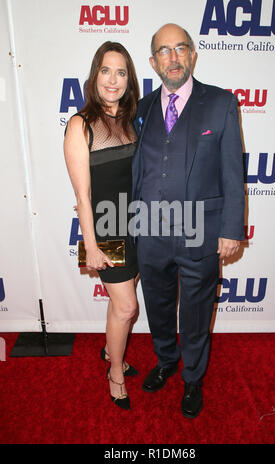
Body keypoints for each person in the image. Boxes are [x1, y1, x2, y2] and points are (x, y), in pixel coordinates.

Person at [132, 24, 245, 418]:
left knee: (195, 311)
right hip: (150, 230)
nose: (173, 57)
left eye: (180, 48)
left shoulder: (221, 103)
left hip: (201, 228)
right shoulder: (142, 108)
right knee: (159, 305)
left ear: (193, 55)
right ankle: (166, 360)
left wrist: (232, 228)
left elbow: (234, 172)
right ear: (153, 61)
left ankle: (193, 378)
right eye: (164, 51)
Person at [64, 41, 140, 410]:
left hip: (139, 227)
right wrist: (91, 246)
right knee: (126, 308)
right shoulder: (80, 125)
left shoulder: (131, 120)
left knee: (119, 307)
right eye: (106, 70)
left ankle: (114, 352)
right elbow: (83, 195)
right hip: (107, 232)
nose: (113, 79)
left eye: (121, 72)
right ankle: (115, 373)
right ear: (95, 76)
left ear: (130, 79)